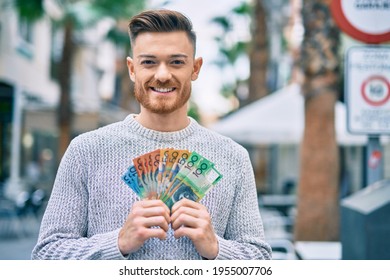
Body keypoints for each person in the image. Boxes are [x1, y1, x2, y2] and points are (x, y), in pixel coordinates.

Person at [32, 9, 272, 260]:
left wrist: (216, 248)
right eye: (149, 62)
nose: (162, 74)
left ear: (196, 68)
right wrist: (118, 242)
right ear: (132, 68)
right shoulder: (85, 150)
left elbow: (260, 259)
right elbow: (46, 254)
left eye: (176, 62)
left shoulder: (233, 157)